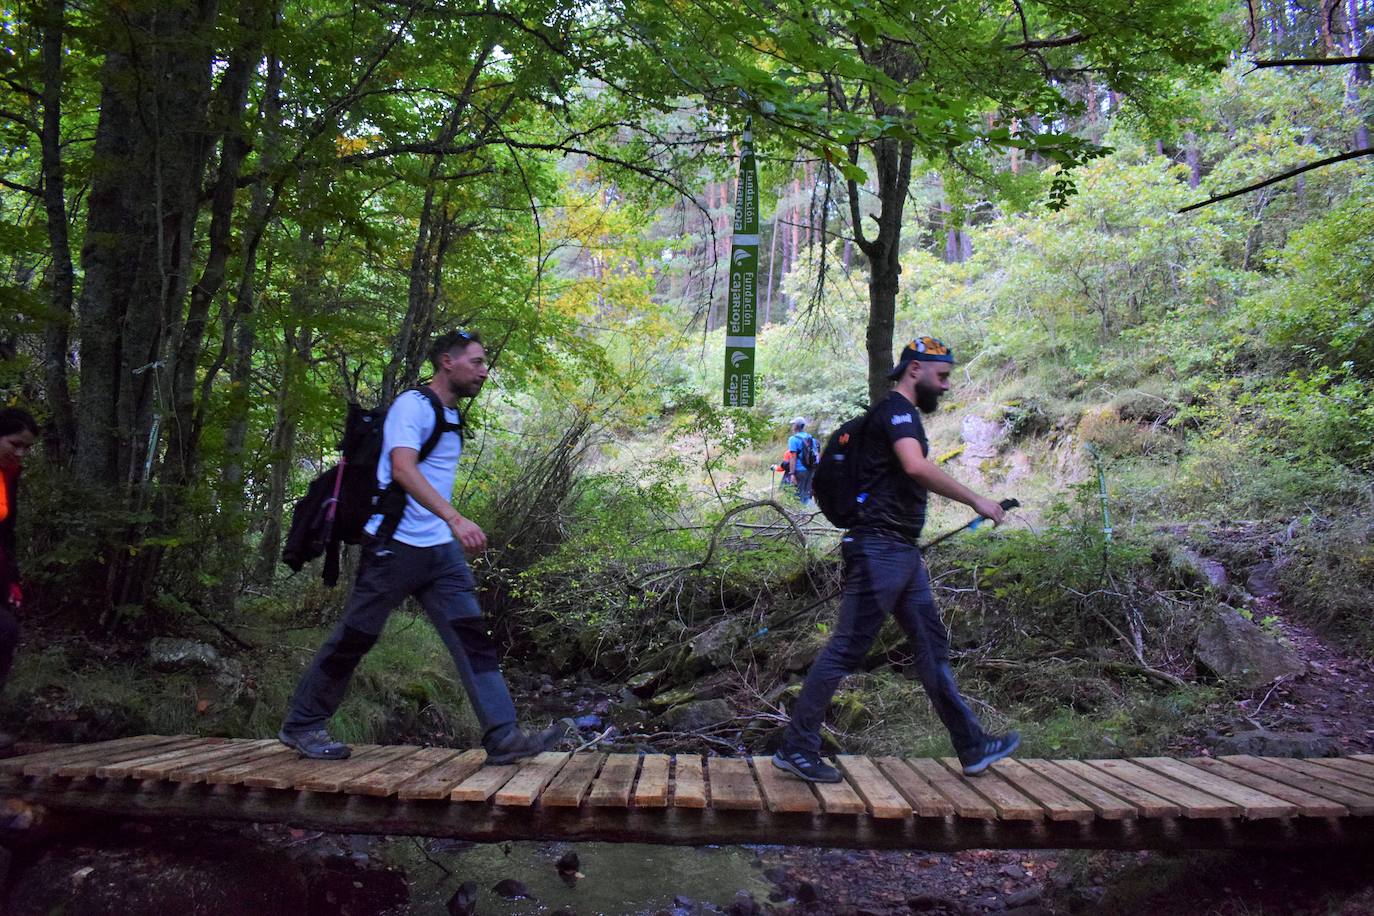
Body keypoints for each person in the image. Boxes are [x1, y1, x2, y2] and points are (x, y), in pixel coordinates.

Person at [279, 331, 565, 763]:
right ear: (447, 362)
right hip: (394, 547)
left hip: (439, 553)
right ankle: (302, 724)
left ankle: (503, 737)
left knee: (473, 640)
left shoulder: (451, 416)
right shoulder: (413, 406)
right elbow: (402, 468)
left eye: (484, 363)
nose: (485, 371)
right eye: (477, 362)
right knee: (356, 637)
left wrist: (447, 527)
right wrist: (454, 517)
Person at [772, 336, 1019, 782]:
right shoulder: (897, 412)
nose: (945, 386)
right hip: (879, 549)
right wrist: (977, 500)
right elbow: (915, 467)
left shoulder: (898, 415)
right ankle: (796, 747)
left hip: (900, 552)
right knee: (847, 647)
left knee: (930, 647)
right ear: (915, 371)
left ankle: (972, 745)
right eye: (941, 376)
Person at [0, 408, 38, 753]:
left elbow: (6, 535)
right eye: (15, 444)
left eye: (26, 448)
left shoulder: (9, 476)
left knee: (5, 632)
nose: (20, 453)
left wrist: (12, 582)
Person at [787, 417, 818, 507]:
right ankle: (807, 512)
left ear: (796, 426)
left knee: (797, 493)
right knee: (807, 492)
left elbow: (793, 457)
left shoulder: (793, 439)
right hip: (810, 469)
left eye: (793, 424)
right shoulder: (811, 438)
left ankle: (800, 514)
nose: (792, 426)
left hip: (799, 470)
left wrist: (792, 473)